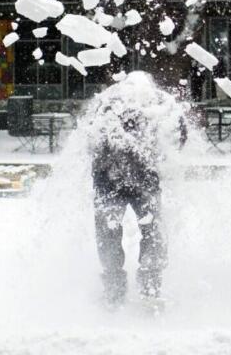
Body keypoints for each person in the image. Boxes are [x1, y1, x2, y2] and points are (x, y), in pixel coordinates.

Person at [82, 71, 186, 307]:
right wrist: (160, 155)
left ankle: (115, 288)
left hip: (109, 179)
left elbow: (90, 140)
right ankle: (149, 286)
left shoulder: (106, 104)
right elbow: (180, 136)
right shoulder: (158, 104)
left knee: (109, 232)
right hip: (141, 179)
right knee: (153, 231)